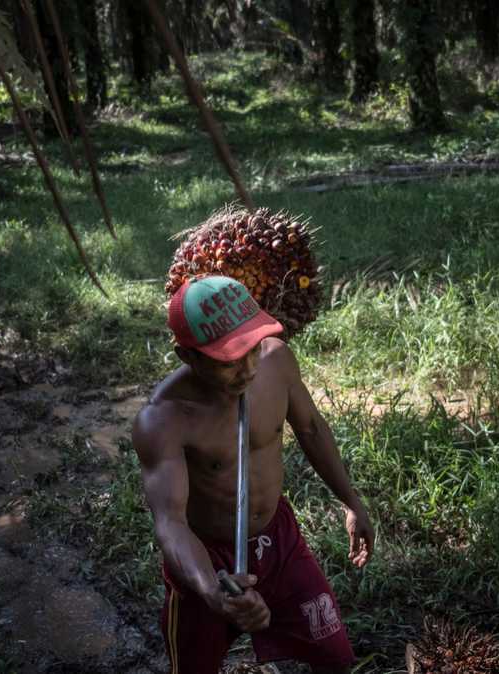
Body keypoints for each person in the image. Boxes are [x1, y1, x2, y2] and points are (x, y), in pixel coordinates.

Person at [132, 275, 377, 674]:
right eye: (229, 359)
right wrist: (214, 590)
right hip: (209, 558)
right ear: (188, 357)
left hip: (279, 542)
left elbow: (311, 428)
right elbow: (172, 524)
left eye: (251, 347)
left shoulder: (275, 360)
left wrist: (351, 501)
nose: (248, 368)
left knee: (336, 658)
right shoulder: (163, 420)